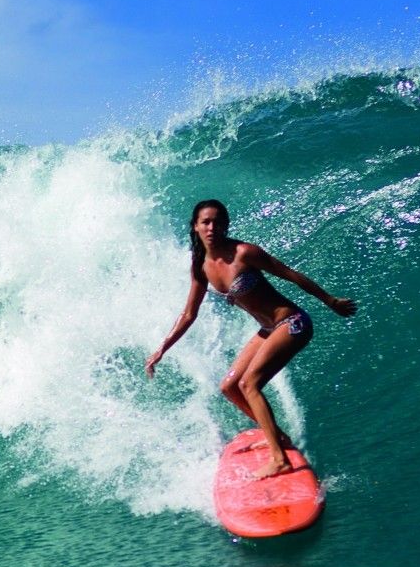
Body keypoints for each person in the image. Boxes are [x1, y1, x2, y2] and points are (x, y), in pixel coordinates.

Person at [145, 199, 356, 478]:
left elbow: (290, 275)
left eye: (218, 221)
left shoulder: (244, 253)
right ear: (195, 227)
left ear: (226, 225)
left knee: (249, 384)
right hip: (267, 329)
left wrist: (330, 301)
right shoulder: (201, 266)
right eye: (206, 222)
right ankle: (278, 438)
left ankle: (280, 460)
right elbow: (188, 315)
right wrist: (162, 349)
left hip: (292, 323)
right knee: (229, 386)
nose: (212, 227)